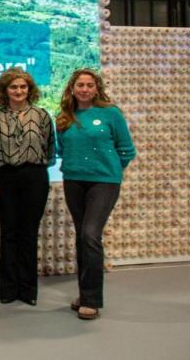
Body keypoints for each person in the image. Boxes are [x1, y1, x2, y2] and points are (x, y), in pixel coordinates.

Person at [55, 68, 135, 320]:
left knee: (91, 234)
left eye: (90, 85)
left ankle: (91, 300)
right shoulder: (65, 117)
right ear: (72, 88)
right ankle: (84, 293)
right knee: (82, 236)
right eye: (80, 85)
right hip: (74, 181)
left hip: (103, 183)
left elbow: (127, 150)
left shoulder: (111, 114)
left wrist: (109, 170)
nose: (85, 89)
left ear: (97, 88)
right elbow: (61, 148)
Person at [0, 68, 55, 306]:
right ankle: (8, 288)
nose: (19, 91)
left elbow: (50, 149)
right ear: (4, 91)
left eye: (23, 87)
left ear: (30, 90)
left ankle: (28, 290)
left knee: (28, 233)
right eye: (13, 87)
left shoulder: (42, 115)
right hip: (5, 178)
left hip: (35, 177)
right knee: (9, 232)